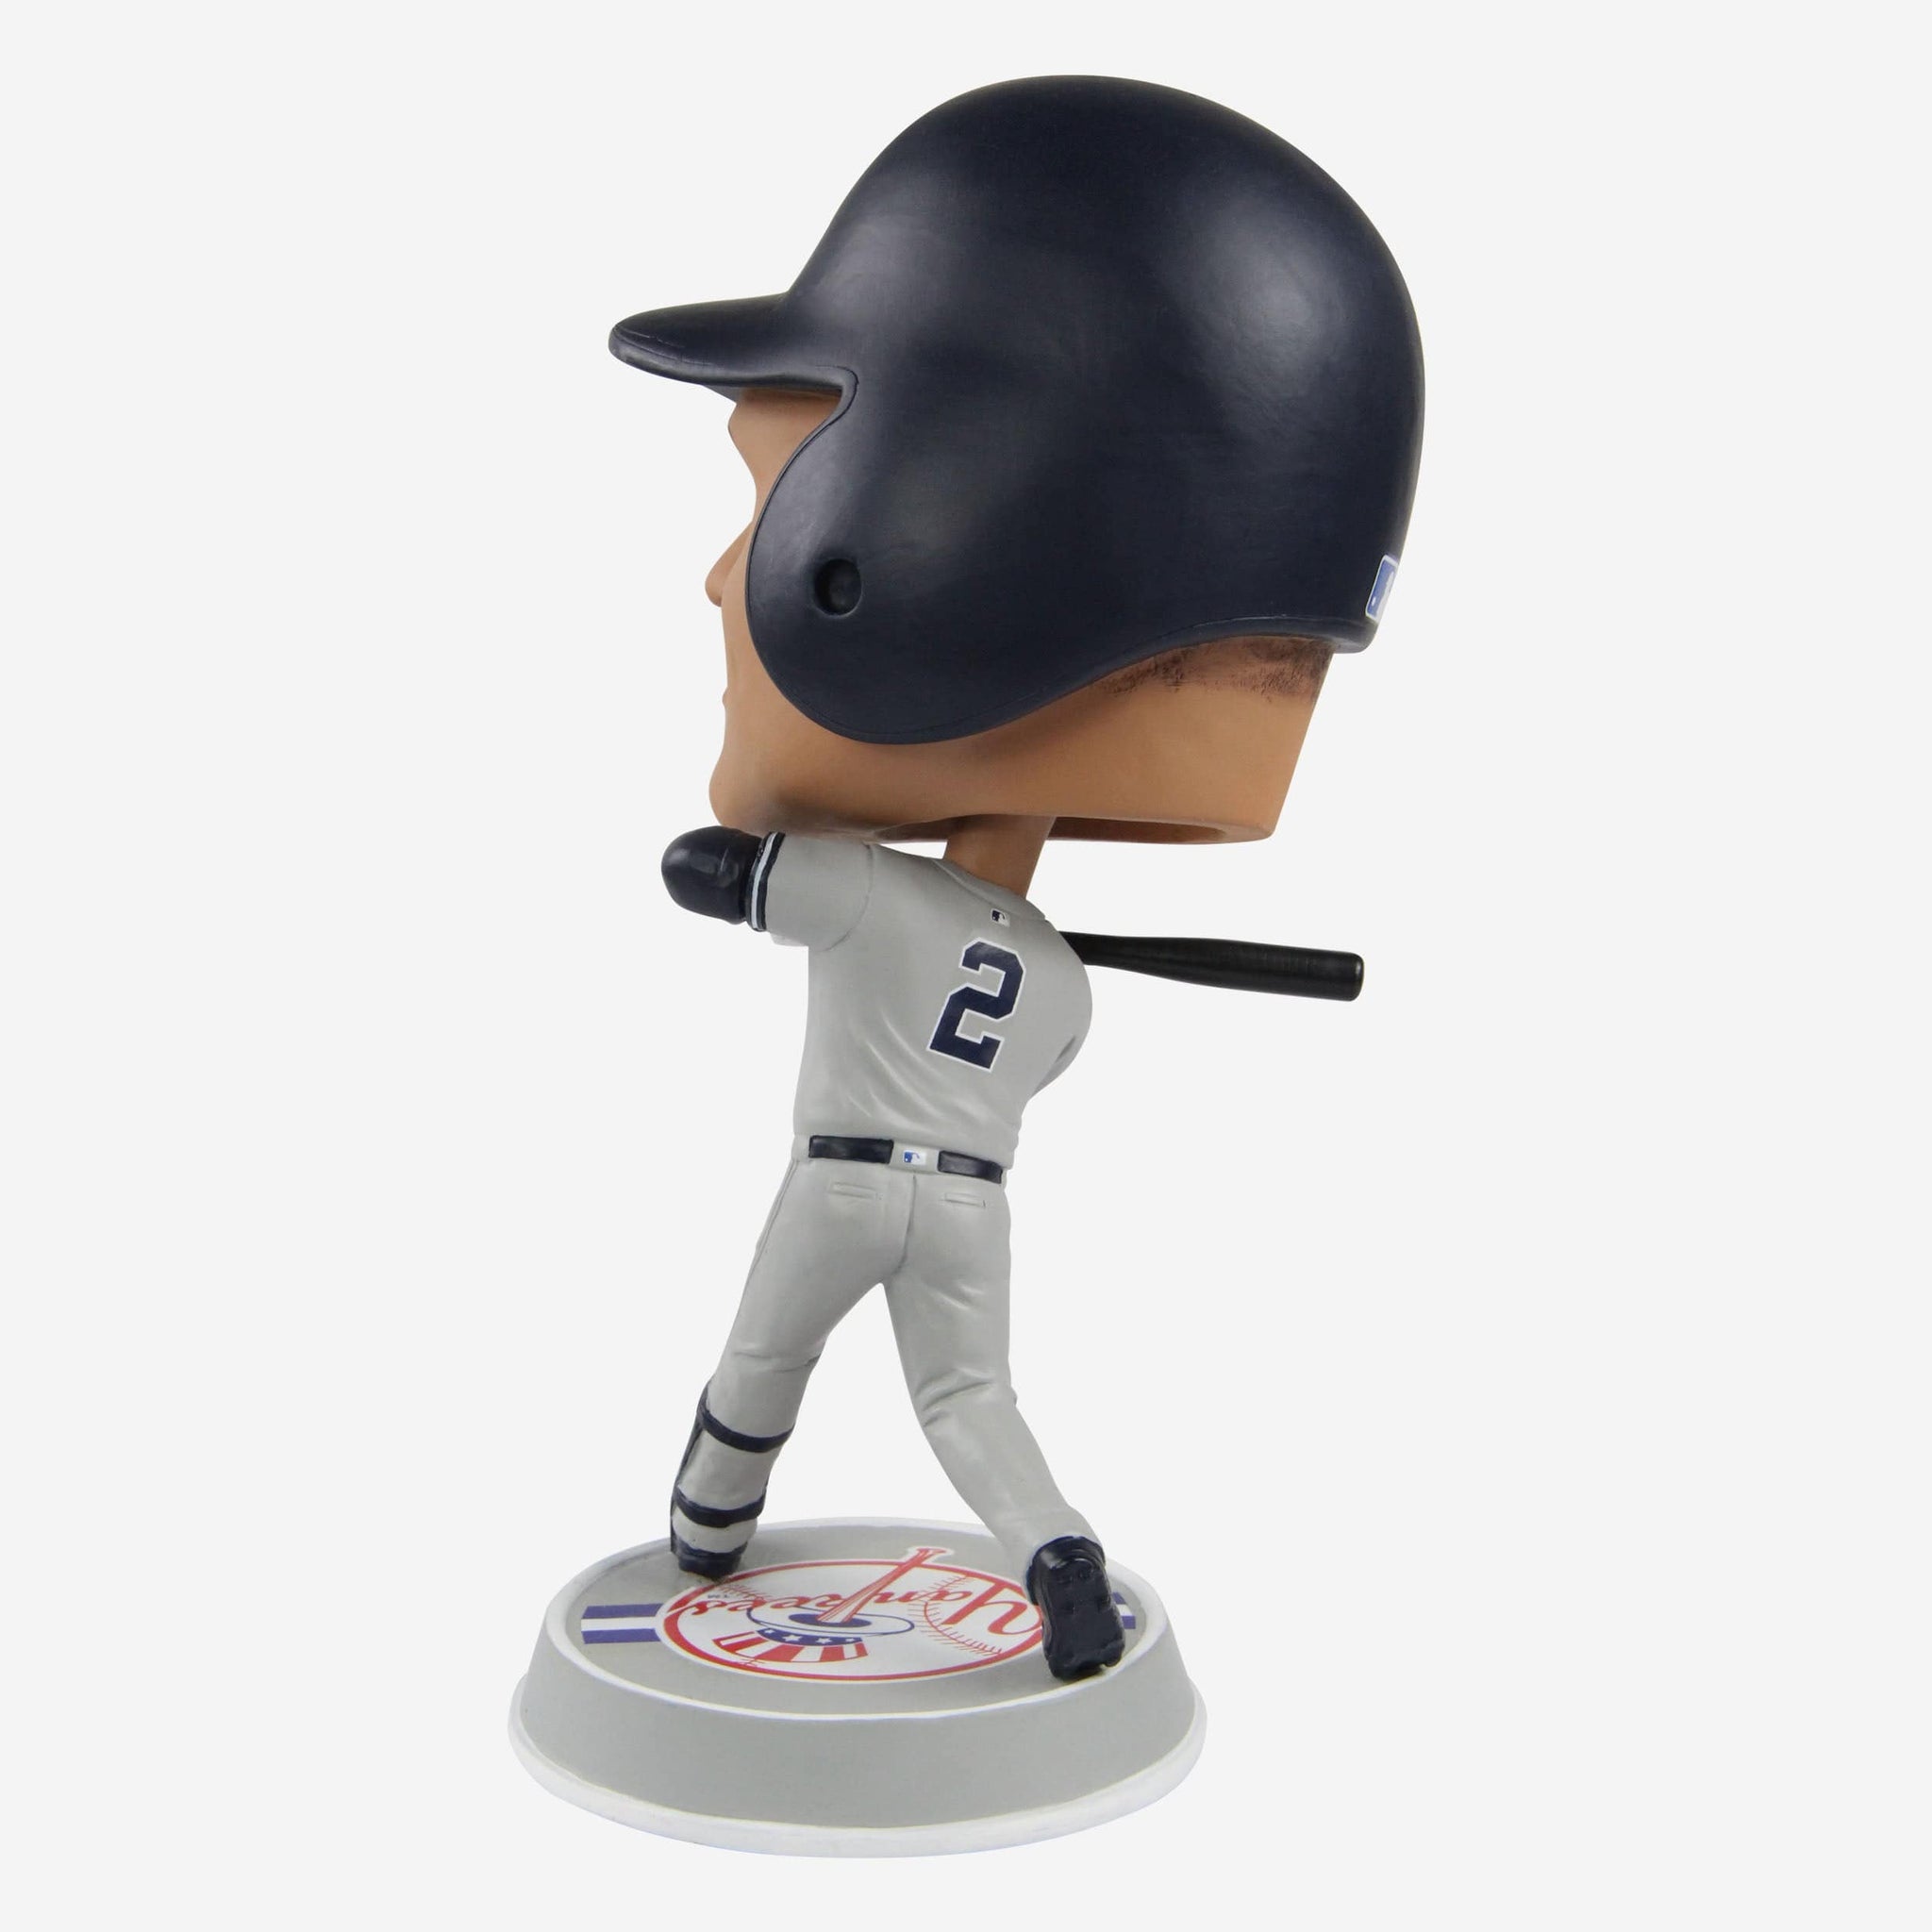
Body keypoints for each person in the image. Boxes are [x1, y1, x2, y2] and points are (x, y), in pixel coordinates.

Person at [608, 77, 1422, 1678]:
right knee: (973, 1402)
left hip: (838, 1185)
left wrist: (829, 898)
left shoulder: (865, 898)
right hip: (973, 1205)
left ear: (938, 539)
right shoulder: (1047, 980)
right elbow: (1011, 1022)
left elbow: (705, 872)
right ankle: (1060, 1559)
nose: (717, 577)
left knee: (764, 1360)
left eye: (764, 499)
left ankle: (705, 1530)